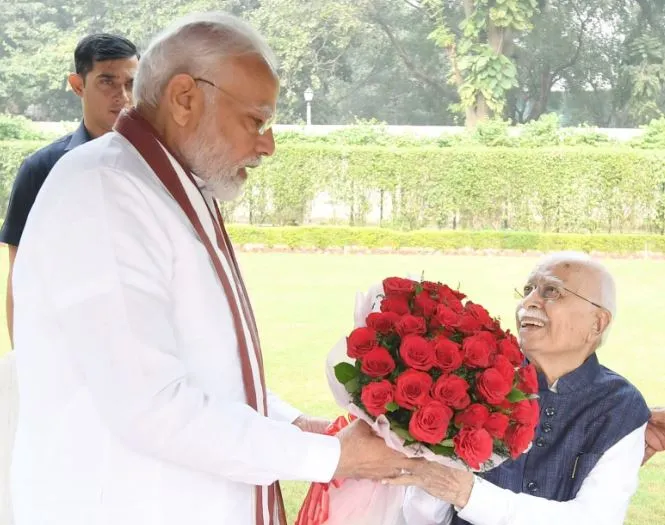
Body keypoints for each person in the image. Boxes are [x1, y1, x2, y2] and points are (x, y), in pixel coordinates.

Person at [9, 12, 412, 525]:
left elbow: (213, 370)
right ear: (184, 98)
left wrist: (300, 426)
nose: (267, 144)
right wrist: (332, 457)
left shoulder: (164, 184)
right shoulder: (105, 189)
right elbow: (150, 406)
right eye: (255, 120)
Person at [392, 251, 650, 525]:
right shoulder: (475, 377)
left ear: (597, 323)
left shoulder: (621, 406)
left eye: (552, 291)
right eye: (527, 291)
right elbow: (423, 513)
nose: (528, 302)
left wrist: (468, 494)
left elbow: (593, 519)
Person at [0, 33, 139, 344]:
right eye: (107, 81)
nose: (122, 95)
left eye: (131, 83)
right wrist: (24, 357)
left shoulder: (157, 168)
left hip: (142, 342)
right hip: (67, 343)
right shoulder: (41, 170)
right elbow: (20, 277)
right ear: (78, 85)